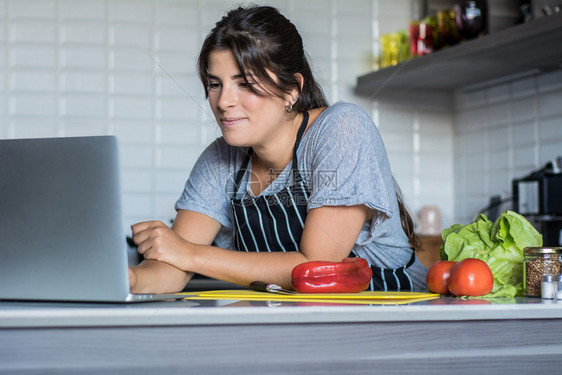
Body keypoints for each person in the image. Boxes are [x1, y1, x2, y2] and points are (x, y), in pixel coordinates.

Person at [129, 5, 428, 293]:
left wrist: (192, 255)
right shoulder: (221, 158)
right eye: (215, 84)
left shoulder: (342, 129)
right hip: (287, 322)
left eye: (244, 83)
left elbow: (316, 268)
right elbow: (171, 266)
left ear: (292, 90)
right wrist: (129, 278)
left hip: (387, 312)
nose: (222, 102)